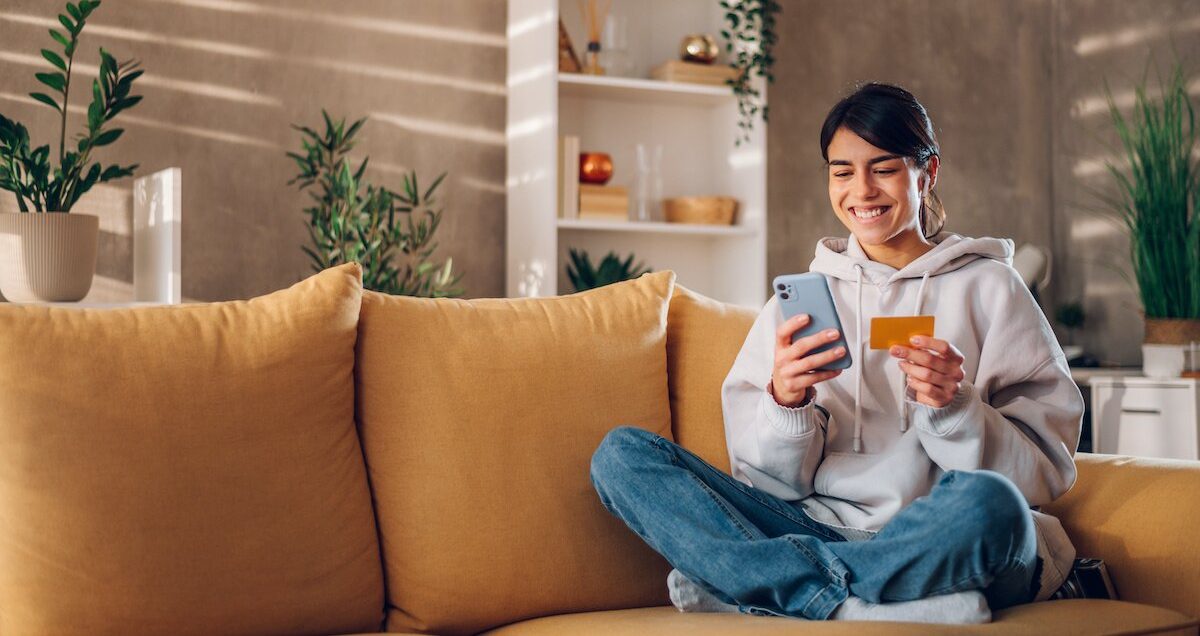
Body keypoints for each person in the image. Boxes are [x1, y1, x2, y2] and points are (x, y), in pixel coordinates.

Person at [589, 82, 1084, 623]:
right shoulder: (800, 301)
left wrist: (956, 407)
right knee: (621, 456)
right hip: (817, 526)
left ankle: (769, 589)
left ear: (928, 172)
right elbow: (771, 487)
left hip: (936, 533)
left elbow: (1046, 470)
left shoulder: (992, 287)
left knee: (997, 508)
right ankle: (857, 604)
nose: (862, 190)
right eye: (842, 171)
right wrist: (786, 404)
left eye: (884, 168)